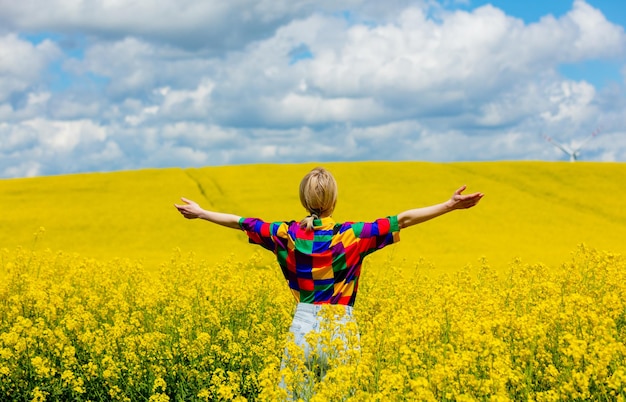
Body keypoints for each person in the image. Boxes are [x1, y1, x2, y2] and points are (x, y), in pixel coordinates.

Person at [174, 166, 484, 397]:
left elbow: (240, 222)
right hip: (341, 329)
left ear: (303, 199)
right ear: (333, 200)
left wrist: (201, 213)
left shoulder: (287, 235)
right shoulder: (352, 235)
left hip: (303, 329)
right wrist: (450, 205)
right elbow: (403, 220)